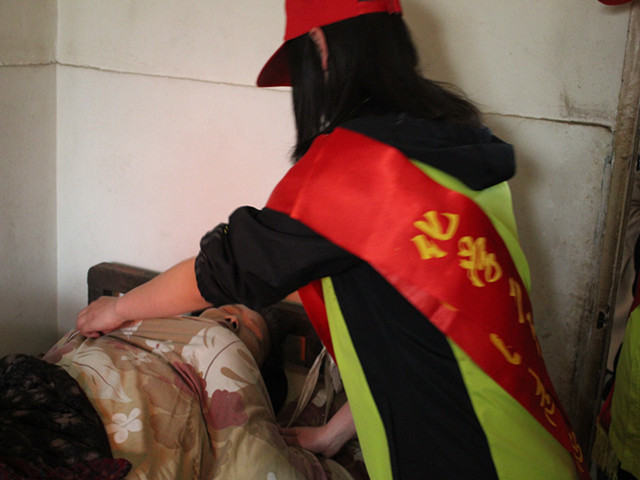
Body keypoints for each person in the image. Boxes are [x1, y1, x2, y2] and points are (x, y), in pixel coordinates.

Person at [77, 1, 589, 478]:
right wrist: (333, 433)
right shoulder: (456, 146)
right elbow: (416, 335)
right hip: (530, 444)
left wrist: (118, 309)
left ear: (321, 46)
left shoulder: (357, 170)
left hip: (462, 458)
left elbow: (227, 269)